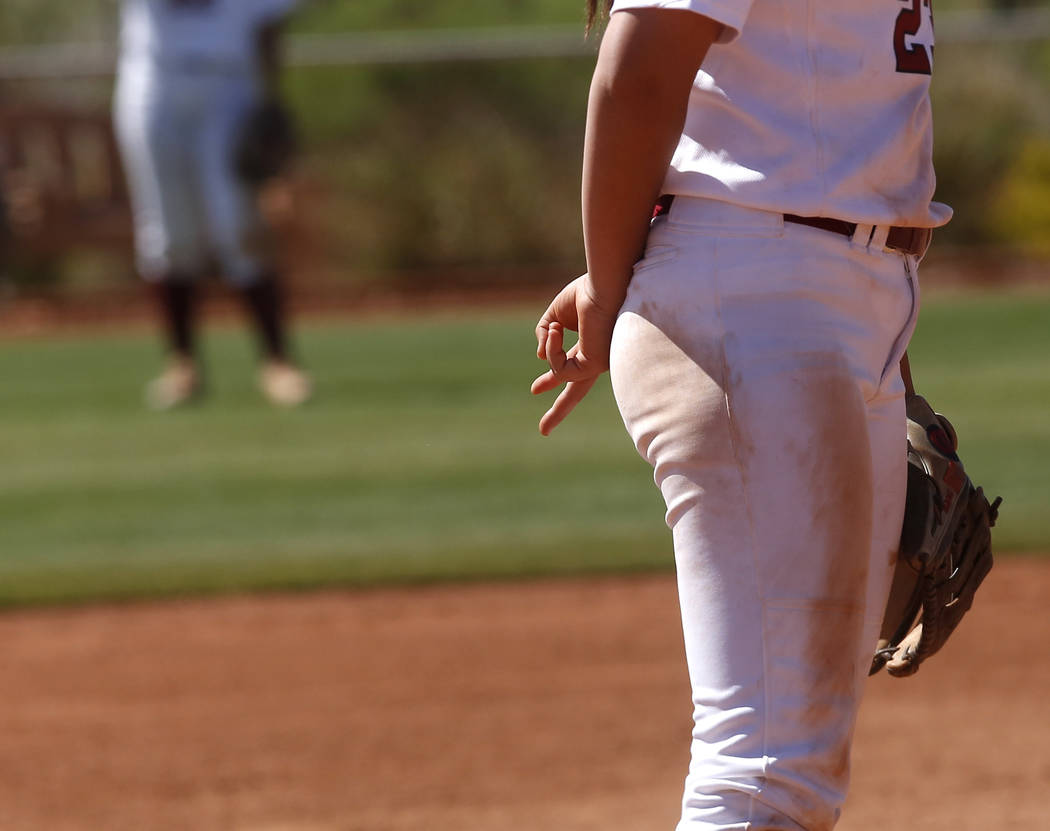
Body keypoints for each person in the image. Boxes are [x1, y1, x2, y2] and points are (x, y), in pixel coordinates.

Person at [532, 1, 946, 828]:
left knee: (792, 763)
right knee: (767, 771)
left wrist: (887, 357)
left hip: (835, 294)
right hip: (757, 289)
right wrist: (609, 294)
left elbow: (823, 106)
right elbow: (640, 70)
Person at [114, 0, 311, 409]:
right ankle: (182, 364)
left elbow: (267, 26)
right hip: (156, 81)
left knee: (238, 225)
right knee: (168, 232)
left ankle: (277, 361)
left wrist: (270, 98)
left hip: (228, 85)